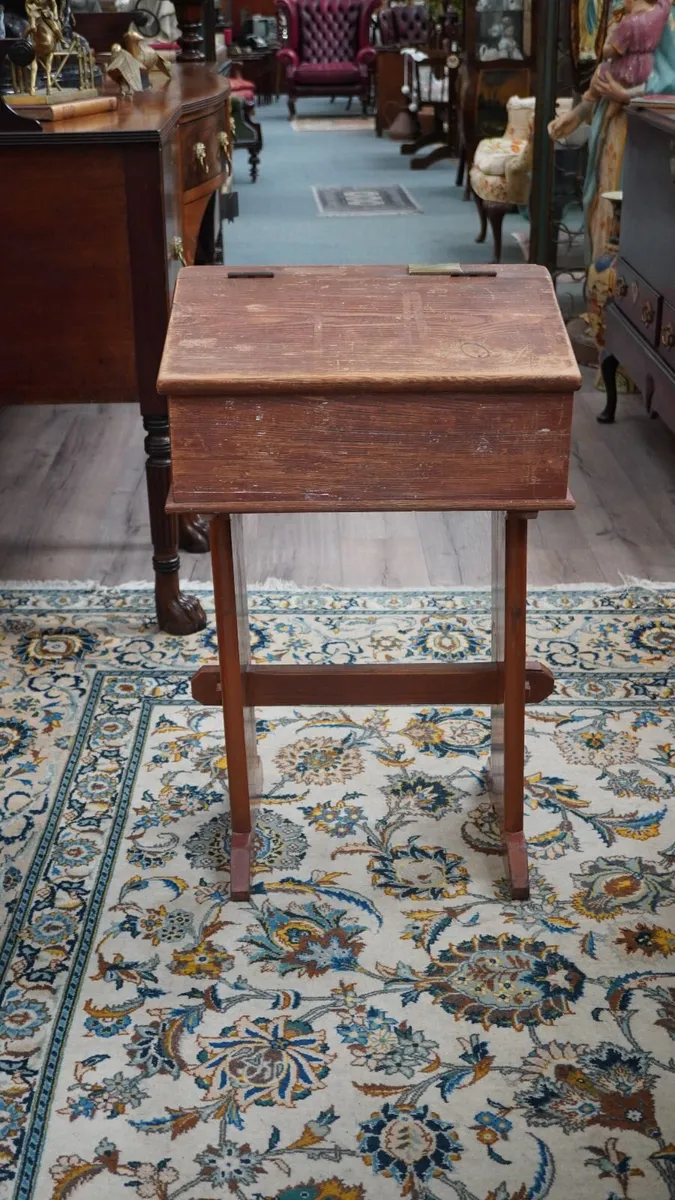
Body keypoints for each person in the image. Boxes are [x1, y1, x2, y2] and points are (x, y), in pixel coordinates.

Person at [547, 1, 675, 353]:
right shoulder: (624, 11)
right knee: (601, 213)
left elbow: (668, 81)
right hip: (610, 129)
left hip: (647, 139)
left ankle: (625, 316)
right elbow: (606, 74)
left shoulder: (666, 17)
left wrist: (628, 95)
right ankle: (600, 309)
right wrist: (577, 114)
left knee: (629, 222)